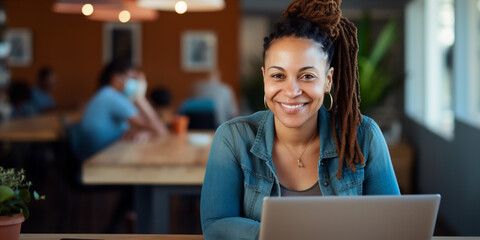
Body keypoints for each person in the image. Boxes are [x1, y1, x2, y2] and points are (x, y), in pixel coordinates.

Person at [200, 0, 400, 239]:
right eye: (278, 75)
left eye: (306, 76)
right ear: (265, 78)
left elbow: (391, 224)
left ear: (328, 80)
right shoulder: (232, 138)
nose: (292, 91)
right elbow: (215, 224)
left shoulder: (364, 136)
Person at [77, 60, 167, 159]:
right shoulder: (112, 98)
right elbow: (160, 130)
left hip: (104, 153)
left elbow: (141, 128)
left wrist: (145, 132)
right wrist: (140, 98)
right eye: (132, 78)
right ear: (116, 78)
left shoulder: (107, 94)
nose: (136, 83)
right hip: (101, 159)